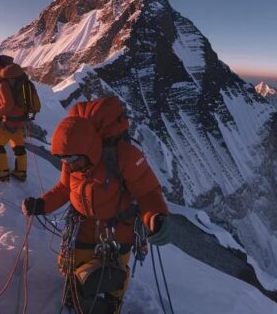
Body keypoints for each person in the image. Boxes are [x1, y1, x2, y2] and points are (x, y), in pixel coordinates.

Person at [21, 96, 171, 314]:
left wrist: (156, 217)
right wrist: (42, 204)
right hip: (84, 225)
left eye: (73, 160)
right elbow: (64, 189)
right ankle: (76, 296)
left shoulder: (125, 156)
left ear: (90, 149)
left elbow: (148, 192)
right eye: (65, 160)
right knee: (71, 266)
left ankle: (111, 306)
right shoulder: (73, 157)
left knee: (115, 273)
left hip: (119, 228)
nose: (69, 165)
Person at [0, 62, 33, 182]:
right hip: (20, 120)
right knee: (18, 145)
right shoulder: (23, 82)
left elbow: (8, 105)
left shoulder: (4, 84)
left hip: (8, 121)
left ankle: (2, 171)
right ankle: (21, 172)